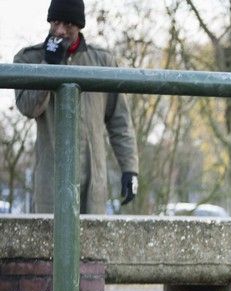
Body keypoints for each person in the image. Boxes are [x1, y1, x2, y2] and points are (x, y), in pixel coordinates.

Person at [14, 0, 139, 214]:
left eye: (68, 24)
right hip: (50, 186)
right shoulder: (29, 58)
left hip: (93, 187)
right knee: (49, 245)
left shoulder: (102, 62)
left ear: (79, 26)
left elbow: (120, 121)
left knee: (91, 245)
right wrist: (48, 66)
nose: (60, 30)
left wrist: (130, 168)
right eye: (55, 23)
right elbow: (28, 108)